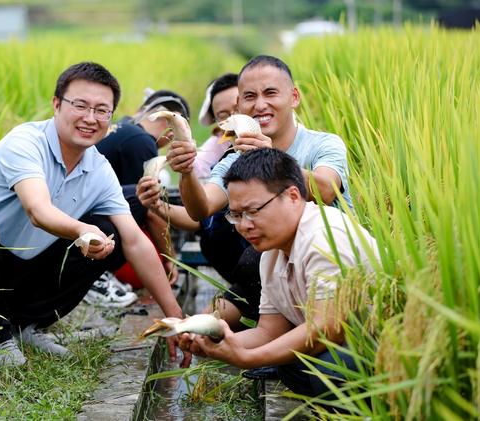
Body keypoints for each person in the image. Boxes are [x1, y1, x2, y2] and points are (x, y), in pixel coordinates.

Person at [0, 62, 186, 367]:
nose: (90, 118)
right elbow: (38, 211)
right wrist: (81, 231)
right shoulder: (24, 142)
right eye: (80, 106)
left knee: (107, 227)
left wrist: (175, 314)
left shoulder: (98, 168)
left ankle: (24, 325)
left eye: (102, 110)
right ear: (57, 104)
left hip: (19, 270)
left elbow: (135, 242)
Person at [158, 55, 353, 335]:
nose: (260, 104)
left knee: (255, 260)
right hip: (277, 273)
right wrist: (186, 172)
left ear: (294, 97)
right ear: (239, 107)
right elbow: (202, 208)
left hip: (330, 270)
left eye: (271, 93)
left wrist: (271, 156)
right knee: (245, 254)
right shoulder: (234, 157)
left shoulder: (323, 144)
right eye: (250, 96)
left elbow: (325, 189)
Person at [179, 148, 378, 398]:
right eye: (236, 215)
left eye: (253, 211)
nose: (244, 225)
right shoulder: (272, 253)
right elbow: (269, 332)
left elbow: (329, 328)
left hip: (378, 350)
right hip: (344, 344)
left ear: (293, 196)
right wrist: (212, 344)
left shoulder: (324, 238)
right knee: (291, 364)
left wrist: (247, 358)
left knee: (333, 369)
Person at [136, 73, 260, 324]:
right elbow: (201, 215)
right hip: (251, 273)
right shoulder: (228, 160)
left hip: (286, 266)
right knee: (213, 237)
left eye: (238, 107)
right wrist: (157, 203)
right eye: (224, 116)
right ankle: (249, 307)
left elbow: (324, 186)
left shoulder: (309, 147)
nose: (233, 118)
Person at [88, 90, 190, 300]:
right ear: (170, 126)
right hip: (92, 224)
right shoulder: (142, 142)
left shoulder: (124, 128)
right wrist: (171, 259)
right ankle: (96, 275)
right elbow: (147, 207)